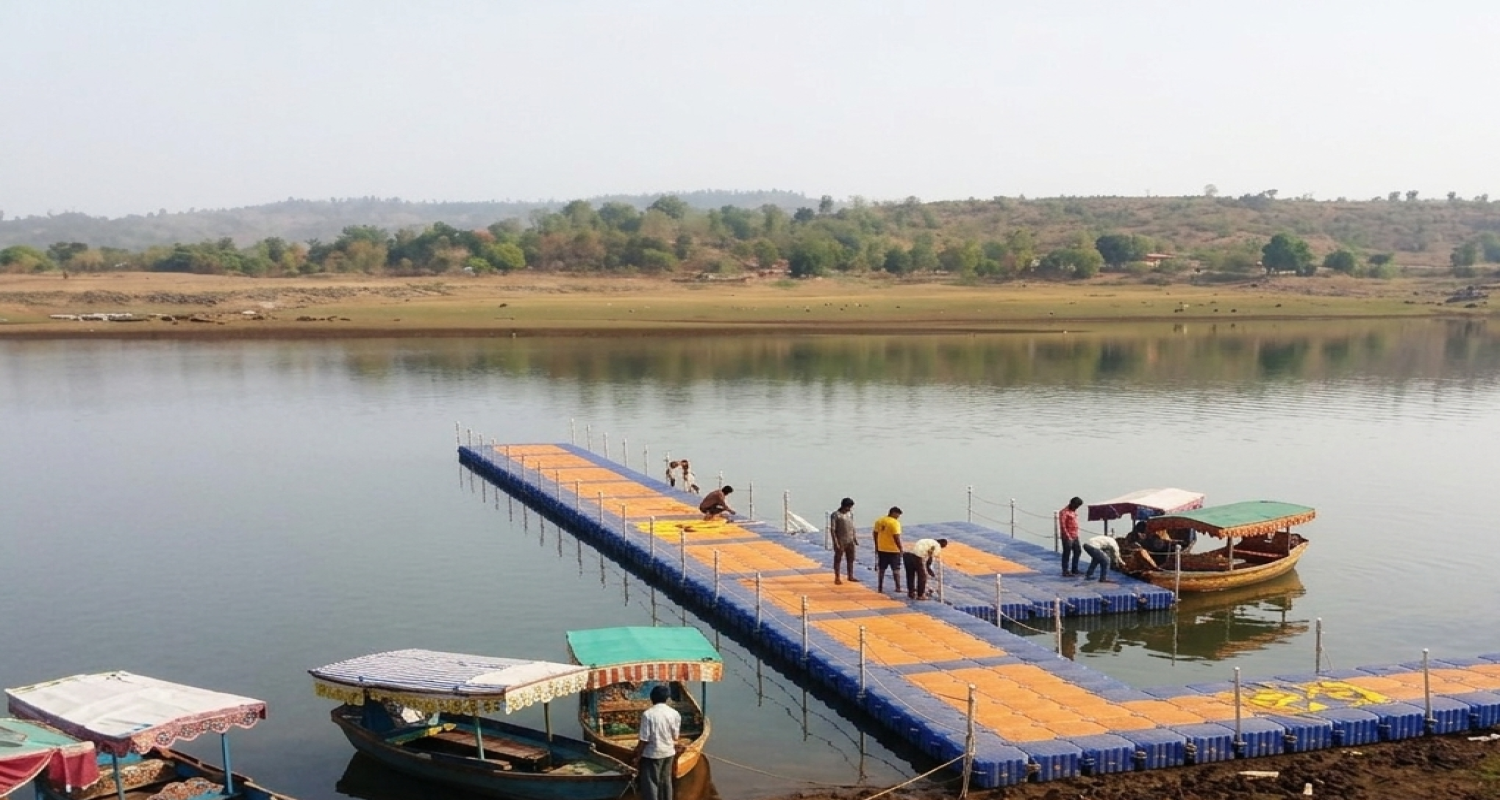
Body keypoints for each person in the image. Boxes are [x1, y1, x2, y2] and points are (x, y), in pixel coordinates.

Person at [631, 684, 682, 800]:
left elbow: (644, 740)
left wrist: (637, 757)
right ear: (667, 698)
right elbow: (675, 737)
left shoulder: (648, 714)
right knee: (666, 781)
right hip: (669, 753)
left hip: (652, 755)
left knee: (651, 783)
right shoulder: (675, 714)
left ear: (652, 698)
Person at [872, 506, 904, 594]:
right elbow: (896, 537)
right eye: (898, 515)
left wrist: (876, 545)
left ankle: (880, 587)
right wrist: (901, 548)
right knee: (896, 569)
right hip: (893, 550)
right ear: (893, 513)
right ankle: (898, 587)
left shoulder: (879, 521)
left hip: (881, 548)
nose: (898, 517)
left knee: (881, 569)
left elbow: (875, 533)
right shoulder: (895, 523)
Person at [830, 497, 858, 584]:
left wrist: (854, 537)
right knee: (838, 559)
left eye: (850, 507)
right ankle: (837, 577)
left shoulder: (850, 514)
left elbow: (852, 527)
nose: (849, 509)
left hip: (850, 540)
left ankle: (850, 576)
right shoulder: (836, 515)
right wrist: (835, 542)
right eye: (848, 507)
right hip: (840, 540)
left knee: (851, 559)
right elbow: (833, 529)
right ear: (843, 506)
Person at [1059, 496, 1083, 577]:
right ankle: (1065, 571)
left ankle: (1074, 568)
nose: (1077, 507)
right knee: (1067, 553)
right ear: (1072, 503)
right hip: (1067, 536)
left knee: (1078, 551)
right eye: (1076, 505)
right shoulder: (1064, 512)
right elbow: (1062, 525)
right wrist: (1067, 536)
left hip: (1075, 535)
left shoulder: (1073, 511)